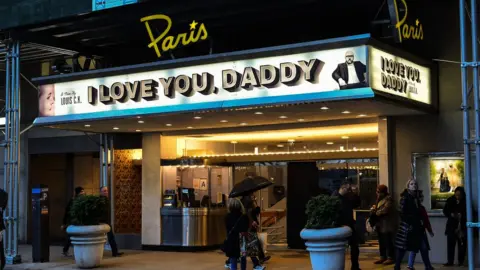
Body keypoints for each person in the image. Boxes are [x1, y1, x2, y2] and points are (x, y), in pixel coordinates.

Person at [394, 179, 434, 270]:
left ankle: (428, 266)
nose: (414, 185)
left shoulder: (416, 198)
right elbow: (402, 213)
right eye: (411, 184)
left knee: (423, 247)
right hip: (408, 228)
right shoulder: (405, 198)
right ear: (408, 186)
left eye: (415, 184)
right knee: (402, 248)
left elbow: (419, 211)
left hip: (417, 227)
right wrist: (410, 222)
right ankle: (397, 266)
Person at [333, 182, 361, 270]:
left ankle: (355, 266)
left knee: (355, 247)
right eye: (348, 190)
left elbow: (356, 204)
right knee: (339, 248)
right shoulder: (335, 198)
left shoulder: (347, 198)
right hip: (340, 225)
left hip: (349, 225)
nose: (350, 192)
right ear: (343, 189)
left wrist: (356, 193)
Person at [407, 190, 435, 270]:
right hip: (419, 231)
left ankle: (411, 265)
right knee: (422, 249)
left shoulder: (417, 208)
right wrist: (430, 231)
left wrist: (429, 230)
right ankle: (426, 266)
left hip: (417, 231)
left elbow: (425, 220)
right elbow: (425, 220)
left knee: (419, 249)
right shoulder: (419, 208)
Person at [371, 184, 395, 265]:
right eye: (377, 191)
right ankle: (382, 256)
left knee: (387, 240)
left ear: (383, 192)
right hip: (380, 223)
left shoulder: (388, 199)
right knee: (381, 241)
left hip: (386, 223)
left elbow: (386, 209)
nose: (377, 193)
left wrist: (377, 212)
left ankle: (390, 257)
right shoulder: (379, 199)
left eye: (378, 192)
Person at [443, 186, 467, 267]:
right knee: (450, 244)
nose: (457, 197)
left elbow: (469, 212)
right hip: (451, 225)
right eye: (456, 195)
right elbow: (445, 210)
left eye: (459, 195)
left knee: (462, 245)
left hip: (462, 226)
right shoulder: (450, 200)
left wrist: (462, 215)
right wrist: (451, 214)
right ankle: (450, 261)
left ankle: (461, 262)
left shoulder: (465, 201)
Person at [224, 198, 250, 270]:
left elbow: (227, 228)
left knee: (233, 259)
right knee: (243, 259)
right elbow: (246, 228)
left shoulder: (227, 217)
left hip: (232, 240)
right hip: (242, 240)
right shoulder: (244, 216)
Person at [100, 186, 123, 257]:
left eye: (106, 191)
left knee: (111, 237)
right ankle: (114, 252)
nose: (106, 192)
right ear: (101, 192)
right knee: (109, 237)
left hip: (107, 221)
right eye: (104, 191)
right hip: (104, 222)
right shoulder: (101, 201)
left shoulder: (106, 200)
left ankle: (115, 252)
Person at [61, 186, 85, 256]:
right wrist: (64, 223)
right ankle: (66, 250)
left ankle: (66, 250)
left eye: (83, 191)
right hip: (73, 221)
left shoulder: (82, 200)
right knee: (70, 236)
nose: (83, 193)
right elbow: (67, 212)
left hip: (79, 221)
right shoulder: (73, 201)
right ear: (78, 193)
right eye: (81, 191)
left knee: (72, 236)